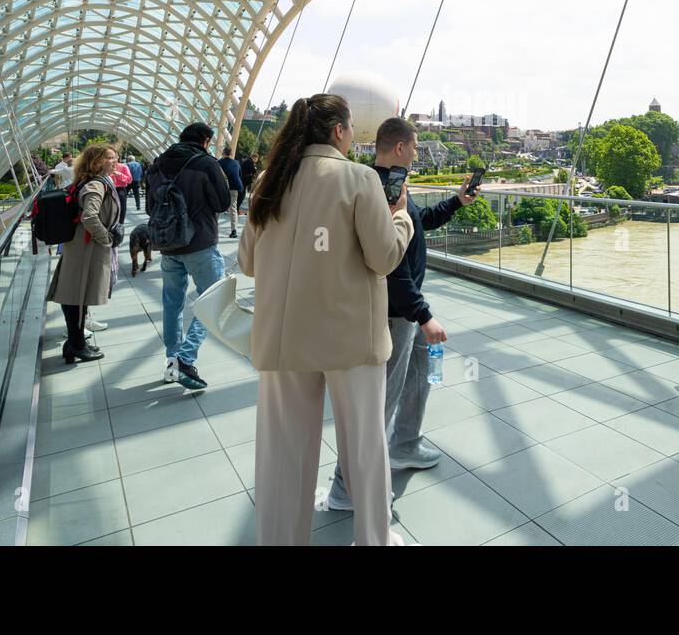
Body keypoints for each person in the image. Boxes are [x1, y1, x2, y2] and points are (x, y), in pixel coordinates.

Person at [239, 94, 413, 546]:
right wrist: (402, 219)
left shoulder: (268, 182)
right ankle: (373, 539)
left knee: (283, 454)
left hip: (283, 339)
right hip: (350, 338)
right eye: (352, 128)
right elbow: (384, 257)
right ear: (338, 131)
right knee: (364, 448)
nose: (355, 136)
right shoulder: (358, 180)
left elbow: (248, 262)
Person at [326, 117, 478, 511]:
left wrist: (457, 203)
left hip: (403, 311)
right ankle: (345, 487)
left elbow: (417, 223)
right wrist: (424, 315)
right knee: (379, 402)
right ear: (399, 148)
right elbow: (391, 267)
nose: (416, 153)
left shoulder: (394, 185)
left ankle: (405, 444)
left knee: (419, 373)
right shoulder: (377, 189)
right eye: (414, 147)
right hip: (394, 314)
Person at [146, 122, 231, 391]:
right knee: (214, 301)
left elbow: (150, 206)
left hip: (169, 246)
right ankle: (185, 357)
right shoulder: (206, 164)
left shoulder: (158, 163)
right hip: (201, 244)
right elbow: (222, 203)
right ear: (206, 140)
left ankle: (172, 359)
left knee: (172, 303)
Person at [45, 143, 122, 363]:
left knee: (77, 295)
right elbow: (90, 217)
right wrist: (106, 239)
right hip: (86, 247)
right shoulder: (96, 185)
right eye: (109, 158)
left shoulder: (89, 182)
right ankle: (77, 344)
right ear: (96, 161)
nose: (114, 161)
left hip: (80, 245)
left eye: (115, 157)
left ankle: (74, 343)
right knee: (77, 296)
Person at [217, 146, 243, 239]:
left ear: (223, 153)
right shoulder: (236, 163)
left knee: (218, 207)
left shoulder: (219, 162)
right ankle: (234, 231)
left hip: (224, 188)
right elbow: (240, 175)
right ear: (231, 154)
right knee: (233, 209)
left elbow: (217, 176)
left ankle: (213, 228)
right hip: (235, 187)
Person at [111, 157, 133, 223]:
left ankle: (120, 224)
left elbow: (129, 180)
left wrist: (119, 175)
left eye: (113, 157)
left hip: (120, 189)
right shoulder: (105, 167)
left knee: (122, 208)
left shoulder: (123, 167)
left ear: (117, 157)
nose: (113, 159)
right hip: (108, 189)